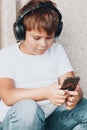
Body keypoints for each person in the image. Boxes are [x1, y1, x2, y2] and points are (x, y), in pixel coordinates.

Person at [0, 0, 87, 130]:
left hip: (51, 121)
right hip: (21, 121)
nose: (43, 44)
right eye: (36, 38)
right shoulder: (7, 55)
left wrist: (75, 96)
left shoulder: (57, 50)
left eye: (49, 38)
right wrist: (46, 93)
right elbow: (8, 96)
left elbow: (72, 86)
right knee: (29, 108)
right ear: (21, 31)